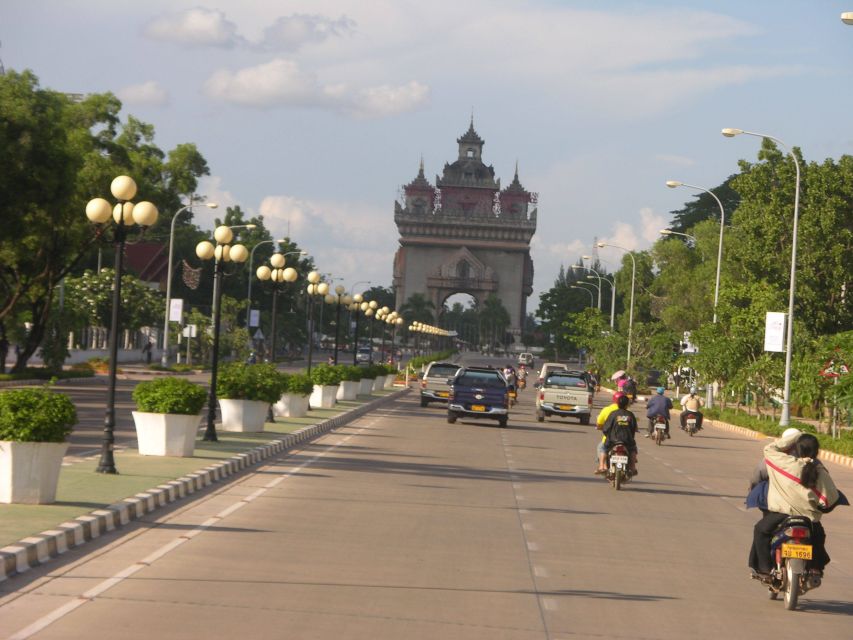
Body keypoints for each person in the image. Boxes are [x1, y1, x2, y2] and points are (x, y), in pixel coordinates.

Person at [748, 430, 840, 581]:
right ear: (816, 451)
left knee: (760, 531)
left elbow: (769, 449)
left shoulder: (783, 463)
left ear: (796, 447)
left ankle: (765, 570)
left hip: (781, 515)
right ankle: (815, 569)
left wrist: (797, 435)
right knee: (818, 537)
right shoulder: (820, 471)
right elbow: (830, 499)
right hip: (809, 519)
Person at [597, 394, 638, 475]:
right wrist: (630, 437)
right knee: (633, 449)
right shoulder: (630, 415)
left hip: (612, 440)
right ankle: (632, 467)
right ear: (627, 405)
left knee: (603, 449)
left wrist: (608, 435)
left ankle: (601, 466)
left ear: (617, 403)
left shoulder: (613, 414)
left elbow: (606, 428)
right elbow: (633, 428)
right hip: (627, 440)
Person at [595, 391, 626, 473]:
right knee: (632, 448)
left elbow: (599, 424)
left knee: (601, 447)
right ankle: (632, 466)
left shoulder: (607, 410)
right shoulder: (628, 412)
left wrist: (601, 428)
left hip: (610, 438)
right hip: (625, 439)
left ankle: (603, 466)